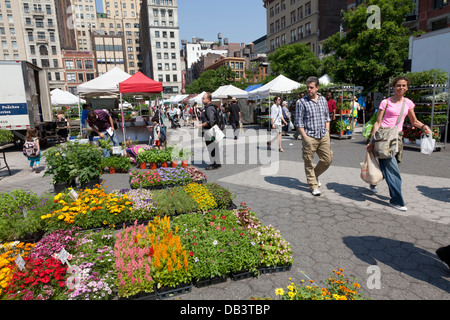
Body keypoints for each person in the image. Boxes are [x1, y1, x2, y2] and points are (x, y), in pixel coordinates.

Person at [365, 76, 431, 211]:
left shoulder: (408, 103)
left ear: (407, 88)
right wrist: (372, 140)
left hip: (397, 138)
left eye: (403, 85)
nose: (401, 88)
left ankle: (374, 180)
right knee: (393, 170)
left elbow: (414, 121)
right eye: (398, 85)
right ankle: (396, 200)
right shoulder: (386, 102)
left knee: (393, 165)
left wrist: (424, 126)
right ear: (394, 87)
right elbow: (378, 122)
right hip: (384, 138)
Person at [295, 76, 333, 196]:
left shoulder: (322, 100)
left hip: (323, 135)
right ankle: (313, 185)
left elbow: (327, 117)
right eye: (307, 87)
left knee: (327, 159)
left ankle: (315, 175)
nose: (309, 90)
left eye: (311, 87)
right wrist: (305, 137)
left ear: (317, 87)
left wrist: (327, 131)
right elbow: (298, 121)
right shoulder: (301, 102)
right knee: (308, 162)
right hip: (309, 137)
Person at [196, 92, 221, 170]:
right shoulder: (210, 107)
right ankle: (217, 163)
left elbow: (211, 121)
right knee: (214, 147)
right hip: (212, 130)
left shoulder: (209, 108)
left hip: (210, 131)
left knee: (211, 147)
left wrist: (200, 125)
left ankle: (214, 164)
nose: (202, 99)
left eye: (203, 98)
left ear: (208, 99)